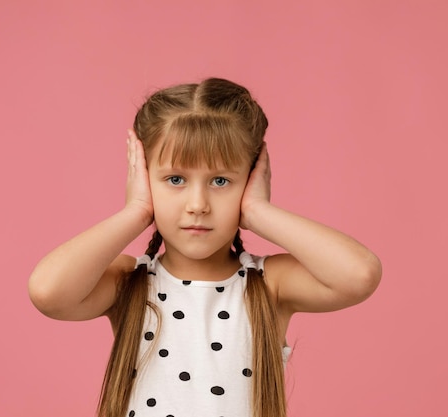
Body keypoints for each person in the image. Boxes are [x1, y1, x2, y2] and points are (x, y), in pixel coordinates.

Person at [28, 78, 382, 417]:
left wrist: (259, 213)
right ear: (144, 178)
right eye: (175, 179)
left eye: (220, 180)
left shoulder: (269, 284)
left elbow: (359, 274)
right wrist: (136, 213)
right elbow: (49, 292)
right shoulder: (129, 281)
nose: (198, 203)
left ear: (251, 179)